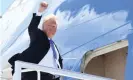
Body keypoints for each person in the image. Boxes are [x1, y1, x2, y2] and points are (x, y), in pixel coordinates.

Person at [8, 1, 63, 80]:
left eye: (54, 26)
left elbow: (57, 62)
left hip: (50, 77)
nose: (51, 28)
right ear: (43, 27)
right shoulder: (39, 37)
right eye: (48, 25)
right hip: (34, 75)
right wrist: (39, 12)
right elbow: (32, 28)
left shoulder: (54, 46)